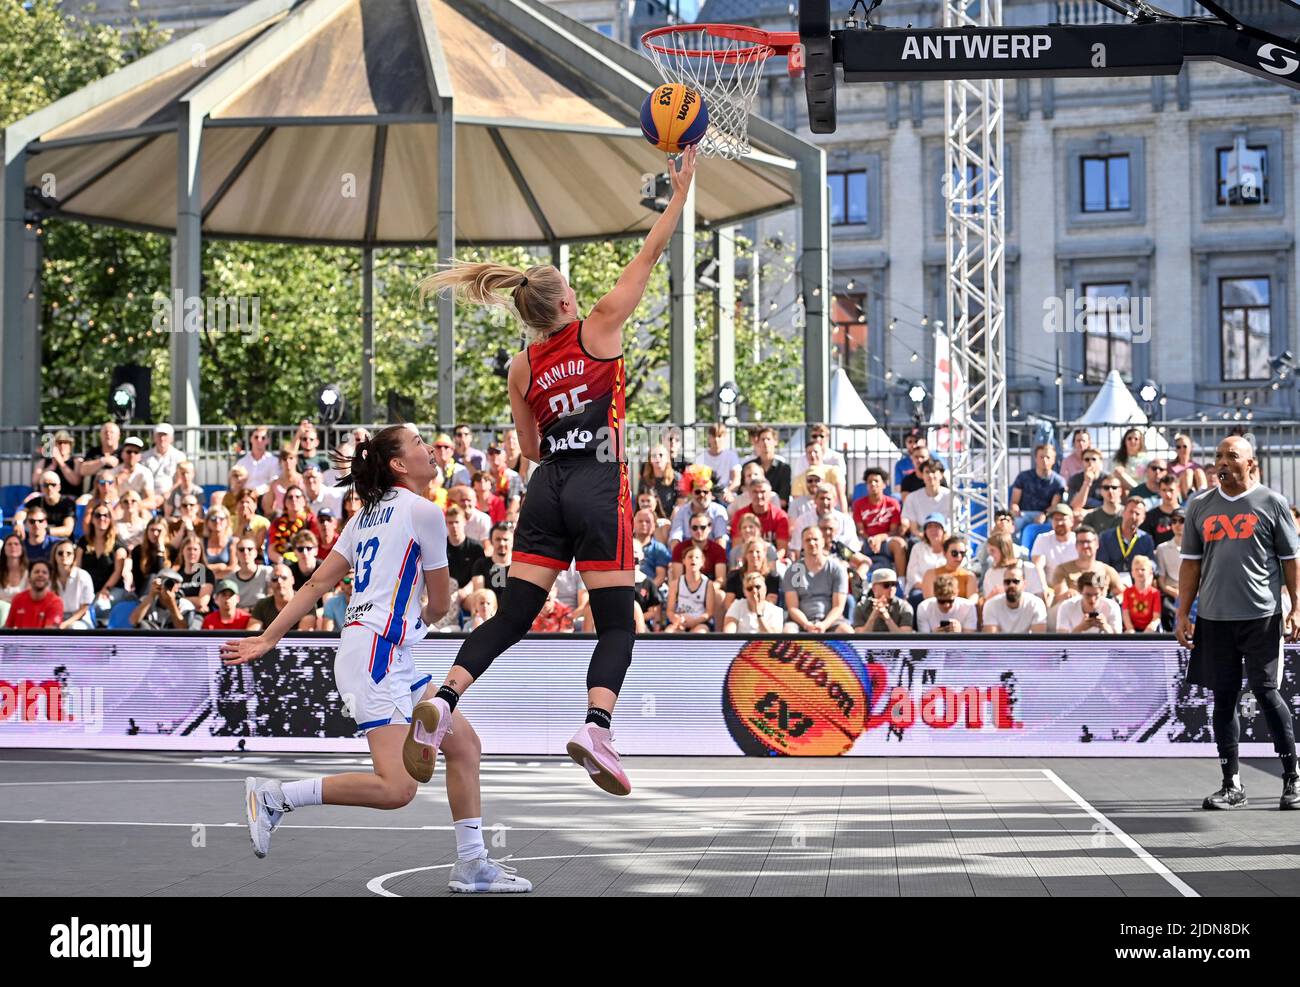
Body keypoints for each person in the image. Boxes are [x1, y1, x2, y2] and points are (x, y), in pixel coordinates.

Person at [408, 149, 697, 799]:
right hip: (599, 482)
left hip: (548, 487)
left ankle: (446, 697)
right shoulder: (599, 327)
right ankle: (596, 727)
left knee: (512, 616)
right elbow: (648, 257)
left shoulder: (523, 366)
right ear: (565, 298)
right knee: (617, 621)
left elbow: (530, 446)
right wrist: (677, 195)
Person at [221, 426, 529, 893]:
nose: (429, 447)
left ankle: (471, 863)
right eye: (419, 444)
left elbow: (316, 585)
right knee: (398, 789)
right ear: (399, 465)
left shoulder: (363, 517)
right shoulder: (424, 512)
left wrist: (268, 638)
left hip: (381, 651)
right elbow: (441, 604)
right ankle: (275, 797)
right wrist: (422, 618)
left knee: (464, 745)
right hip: (377, 655)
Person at [1176, 435, 1300, 811]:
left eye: (1232, 456)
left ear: (1250, 464)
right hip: (1214, 618)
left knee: (1266, 691)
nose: (1222, 462)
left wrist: (1297, 606)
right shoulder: (1200, 506)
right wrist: (1183, 612)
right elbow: (1190, 564)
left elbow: (1291, 560)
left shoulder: (1272, 503)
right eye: (1217, 456)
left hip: (1261, 616)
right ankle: (1232, 783)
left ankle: (1292, 778)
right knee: (1223, 696)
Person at [781, 527, 853, 633]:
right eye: (807, 540)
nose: (812, 543)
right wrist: (806, 624)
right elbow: (792, 607)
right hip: (800, 622)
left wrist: (824, 625)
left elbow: (838, 606)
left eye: (815, 539)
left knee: (847, 632)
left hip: (831, 621)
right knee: (788, 632)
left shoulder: (837, 569)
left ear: (823, 542)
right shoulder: (793, 571)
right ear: (802, 544)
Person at [76, 506, 128, 626]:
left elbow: (118, 571)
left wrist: (105, 589)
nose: (102, 518)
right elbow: (77, 567)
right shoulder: (84, 541)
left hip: (112, 589)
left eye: (106, 515)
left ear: (110, 519)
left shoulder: (118, 543)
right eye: (98, 515)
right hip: (88, 588)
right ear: (92, 519)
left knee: (100, 605)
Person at [852, 467, 907, 574]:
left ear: (884, 484)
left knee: (899, 544)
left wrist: (879, 538)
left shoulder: (893, 504)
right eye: (869, 482)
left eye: (876, 481)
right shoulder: (858, 504)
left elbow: (894, 530)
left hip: (886, 540)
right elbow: (860, 530)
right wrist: (871, 540)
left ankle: (901, 581)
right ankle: (857, 580)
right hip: (866, 541)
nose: (873, 484)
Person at [1096, 496, 1156, 586]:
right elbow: (1102, 566)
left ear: (1143, 518)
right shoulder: (1106, 537)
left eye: (1138, 513)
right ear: (1123, 512)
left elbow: (1151, 564)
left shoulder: (1146, 539)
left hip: (1138, 586)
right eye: (1131, 512)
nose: (1133, 516)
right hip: (1111, 585)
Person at [1009, 444, 1066, 533]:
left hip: (1046, 514)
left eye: (1048, 457)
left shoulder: (1058, 481)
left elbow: (1054, 505)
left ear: (1054, 460)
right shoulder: (1023, 476)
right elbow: (1014, 501)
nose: (1044, 460)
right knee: (1011, 525)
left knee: (1054, 524)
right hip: (1024, 513)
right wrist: (1015, 508)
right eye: (1041, 457)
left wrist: (1044, 515)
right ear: (1035, 458)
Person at [729, 478, 790, 558]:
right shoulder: (740, 515)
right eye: (755, 492)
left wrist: (769, 562)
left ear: (770, 494)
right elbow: (737, 547)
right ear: (749, 494)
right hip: (747, 560)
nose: (759, 496)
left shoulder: (780, 516)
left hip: (772, 560)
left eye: (763, 492)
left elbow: (782, 550)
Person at [981, 563, 1047, 633]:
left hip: (1027, 644)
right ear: (1003, 584)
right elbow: (991, 640)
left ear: (1024, 584)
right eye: (1007, 582)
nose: (1011, 585)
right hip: (1001, 644)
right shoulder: (991, 605)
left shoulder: (1036, 604)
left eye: (1016, 581)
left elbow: (1038, 640)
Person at [664, 544, 717, 633]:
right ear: (684, 561)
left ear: (702, 562)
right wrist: (676, 620)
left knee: (699, 634)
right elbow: (669, 611)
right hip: (680, 621)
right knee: (669, 633)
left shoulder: (708, 584)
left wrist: (694, 622)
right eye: (690, 557)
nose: (693, 559)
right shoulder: (675, 583)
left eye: (697, 557)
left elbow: (709, 613)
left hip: (700, 622)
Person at [130, 567, 203, 630]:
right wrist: (151, 596)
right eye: (163, 580)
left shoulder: (185, 604)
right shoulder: (146, 600)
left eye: (171, 582)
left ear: (178, 587)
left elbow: (183, 630)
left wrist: (172, 604)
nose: (166, 585)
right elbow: (133, 621)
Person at [668, 477, 729, 549]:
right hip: (688, 551)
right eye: (698, 492)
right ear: (691, 493)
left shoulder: (719, 510)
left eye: (705, 492)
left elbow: (721, 538)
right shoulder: (681, 511)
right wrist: (677, 557)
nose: (702, 495)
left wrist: (718, 557)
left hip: (711, 550)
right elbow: (675, 537)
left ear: (711, 494)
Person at [16, 471, 76, 540]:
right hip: (41, 540)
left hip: (60, 541)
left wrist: (45, 531)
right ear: (41, 488)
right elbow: (21, 511)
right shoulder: (36, 501)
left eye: (53, 485)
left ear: (59, 487)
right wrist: (19, 523)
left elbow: (67, 530)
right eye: (45, 485)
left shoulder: (68, 503)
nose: (49, 488)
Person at [4, 560, 64, 629]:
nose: (40, 575)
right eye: (36, 572)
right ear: (29, 577)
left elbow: (49, 635)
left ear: (49, 579)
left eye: (44, 572)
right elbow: (8, 628)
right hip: (20, 639)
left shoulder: (56, 602)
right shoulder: (18, 599)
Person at [901, 459, 953, 536]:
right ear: (922, 475)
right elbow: (914, 529)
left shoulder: (951, 497)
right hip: (921, 537)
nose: (930, 475)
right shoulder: (912, 498)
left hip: (946, 536)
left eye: (934, 471)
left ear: (941, 475)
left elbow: (954, 524)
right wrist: (927, 538)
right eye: (927, 472)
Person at [853, 568, 914, 633]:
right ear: (874, 588)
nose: (891, 588)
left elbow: (905, 639)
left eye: (894, 584)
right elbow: (859, 639)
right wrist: (873, 616)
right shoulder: (861, 607)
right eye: (886, 585)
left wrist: (887, 618)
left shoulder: (904, 607)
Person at [920, 536, 979, 602]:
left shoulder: (970, 576)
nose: (959, 557)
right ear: (945, 553)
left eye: (962, 553)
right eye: (954, 553)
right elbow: (929, 602)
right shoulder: (930, 574)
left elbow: (971, 603)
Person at [904, 515, 947, 607]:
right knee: (916, 597)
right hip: (920, 588)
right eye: (929, 527)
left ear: (944, 530)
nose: (933, 530)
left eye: (936, 526)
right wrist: (928, 588)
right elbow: (912, 574)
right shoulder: (918, 548)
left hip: (947, 589)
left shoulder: (950, 548)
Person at [744, 426, 792, 508]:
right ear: (757, 442)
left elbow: (783, 500)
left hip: (775, 512)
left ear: (775, 442)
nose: (765, 442)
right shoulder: (748, 467)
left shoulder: (784, 468)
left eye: (768, 439)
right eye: (762, 439)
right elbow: (742, 492)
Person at [695, 423, 743, 503]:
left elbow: (736, 480)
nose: (716, 439)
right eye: (713, 436)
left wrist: (728, 492)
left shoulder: (731, 456)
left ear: (725, 437)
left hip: (726, 494)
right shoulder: (701, 458)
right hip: (706, 494)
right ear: (708, 438)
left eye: (719, 436)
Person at [1030, 504, 1078, 577]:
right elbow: (1038, 566)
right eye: (1056, 519)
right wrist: (1044, 588)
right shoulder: (1042, 539)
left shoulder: (1079, 541)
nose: (1059, 523)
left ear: (1072, 521)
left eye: (1062, 519)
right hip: (1049, 587)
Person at [1155, 511, 1184, 630]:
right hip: (1171, 594)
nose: (1177, 524)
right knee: (1167, 612)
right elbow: (1161, 580)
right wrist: (1174, 592)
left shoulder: (1199, 546)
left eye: (1182, 521)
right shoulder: (1162, 548)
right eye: (1174, 521)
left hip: (1195, 593)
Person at [235, 426, 280, 496]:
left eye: (263, 438)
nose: (259, 440)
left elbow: (274, 482)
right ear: (251, 439)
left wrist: (257, 492)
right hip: (245, 496)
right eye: (256, 437)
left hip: (265, 497)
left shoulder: (274, 461)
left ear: (268, 440)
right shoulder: (242, 462)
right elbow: (236, 481)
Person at [1121, 555, 1162, 633]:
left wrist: (1152, 625)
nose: (1140, 572)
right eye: (1136, 569)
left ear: (1150, 573)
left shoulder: (1155, 593)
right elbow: (1125, 613)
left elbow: (1156, 617)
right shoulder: (1127, 592)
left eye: (1143, 569)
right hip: (1132, 628)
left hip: (1149, 629)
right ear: (1132, 573)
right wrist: (1130, 628)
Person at [141, 423, 185, 493]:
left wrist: (167, 495)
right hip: (150, 496)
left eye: (165, 435)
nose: (162, 438)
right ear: (154, 438)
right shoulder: (145, 456)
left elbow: (180, 480)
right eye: (159, 435)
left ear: (172, 438)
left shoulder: (179, 456)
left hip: (172, 496)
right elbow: (141, 480)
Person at [230, 537, 272, 609]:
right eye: (241, 549)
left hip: (262, 615)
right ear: (236, 553)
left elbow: (271, 599)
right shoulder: (230, 578)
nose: (245, 552)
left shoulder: (267, 572)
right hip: (240, 617)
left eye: (250, 549)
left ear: (256, 553)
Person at [639, 444, 679, 518]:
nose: (657, 458)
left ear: (667, 458)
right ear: (650, 459)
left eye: (661, 455)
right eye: (654, 455)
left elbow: (680, 504)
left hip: (671, 521)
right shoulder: (645, 479)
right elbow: (640, 504)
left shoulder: (676, 478)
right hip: (650, 520)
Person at [1142, 475, 1183, 546]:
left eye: (1171, 490)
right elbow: (1146, 544)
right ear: (1159, 491)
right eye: (1164, 490)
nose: (1167, 494)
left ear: (1178, 489)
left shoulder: (1188, 514)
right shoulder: (1150, 516)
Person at [1110, 427, 1151, 493]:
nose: (1132, 441)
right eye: (1129, 438)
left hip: (1141, 490)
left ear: (1141, 442)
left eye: (1136, 439)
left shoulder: (1146, 460)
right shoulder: (1117, 458)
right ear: (1125, 441)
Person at [1066, 448, 1107, 513]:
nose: (1090, 462)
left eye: (1094, 459)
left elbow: (1111, 504)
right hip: (1080, 514)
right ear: (1082, 462)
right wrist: (1087, 482)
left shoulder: (1107, 478)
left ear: (1100, 461)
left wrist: (1090, 512)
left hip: (1102, 514)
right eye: (1087, 459)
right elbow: (1074, 505)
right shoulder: (1075, 479)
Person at [0, 535, 29, 626]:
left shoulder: (30, 572)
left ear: (22, 548)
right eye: (9, 544)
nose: (13, 547)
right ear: (4, 549)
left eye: (16, 544)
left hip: (23, 612)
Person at [1170, 432, 1208, 499]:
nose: (1182, 449)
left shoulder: (1197, 466)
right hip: (1180, 496)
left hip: (1198, 496)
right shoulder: (1170, 466)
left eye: (1185, 446)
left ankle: (1203, 496)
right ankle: (1190, 497)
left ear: (1190, 447)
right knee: (1188, 472)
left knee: (1199, 471)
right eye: (1178, 447)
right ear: (1176, 449)